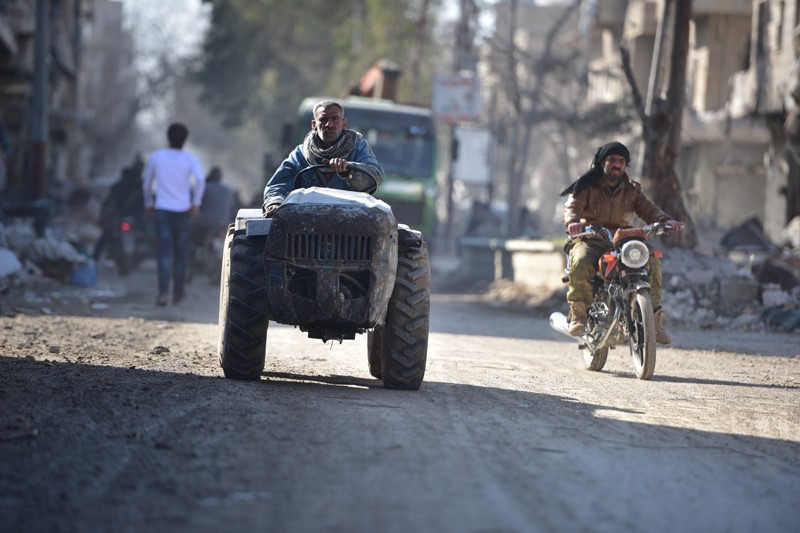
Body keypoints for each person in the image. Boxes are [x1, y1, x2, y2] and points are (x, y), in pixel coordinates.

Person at [560, 141, 682, 343]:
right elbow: (571, 207)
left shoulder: (632, 189)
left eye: (621, 161)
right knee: (581, 260)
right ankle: (579, 316)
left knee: (651, 261)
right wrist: (573, 222)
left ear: (625, 165)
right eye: (612, 160)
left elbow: (648, 209)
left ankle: (653, 321)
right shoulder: (586, 185)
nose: (617, 164)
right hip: (591, 238)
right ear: (602, 162)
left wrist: (664, 220)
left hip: (623, 240)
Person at [262, 99, 383, 217]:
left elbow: (375, 175)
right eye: (323, 119)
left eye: (335, 119)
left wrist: (348, 170)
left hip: (350, 219)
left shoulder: (358, 147)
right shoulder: (301, 154)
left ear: (344, 123)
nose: (329, 125)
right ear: (314, 125)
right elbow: (278, 185)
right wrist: (275, 203)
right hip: (307, 221)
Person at [142, 123, 205, 306]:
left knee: (163, 254)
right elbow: (200, 180)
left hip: (162, 211)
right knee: (180, 255)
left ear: (167, 137)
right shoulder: (190, 159)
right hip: (183, 212)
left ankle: (163, 292)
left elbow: (147, 185)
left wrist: (148, 203)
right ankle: (178, 293)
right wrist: (196, 204)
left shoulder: (156, 157)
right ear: (185, 140)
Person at [93, 155, 145, 263]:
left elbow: (109, 202)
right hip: (133, 218)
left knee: (106, 236)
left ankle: (94, 259)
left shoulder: (118, 186)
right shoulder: (140, 186)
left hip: (119, 217)